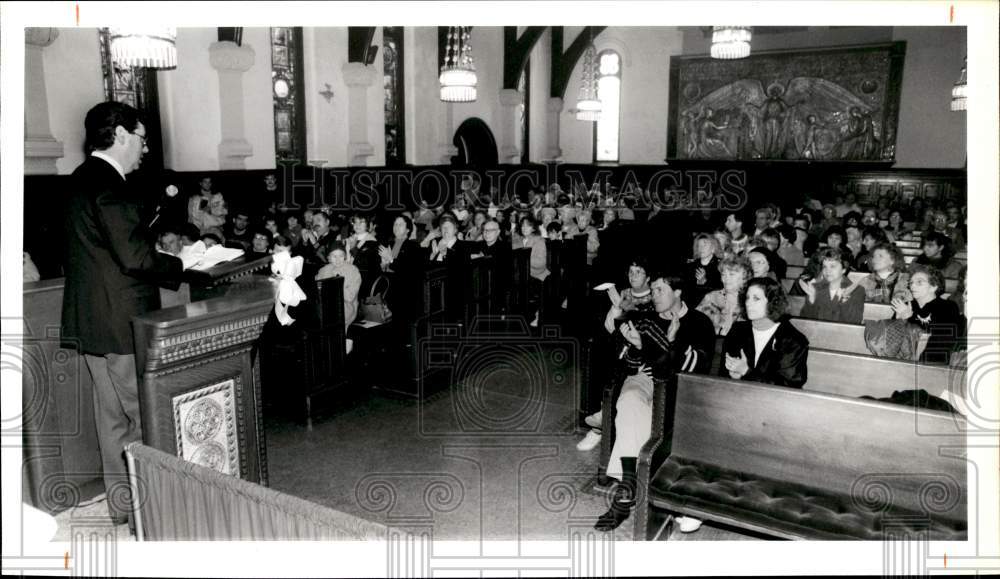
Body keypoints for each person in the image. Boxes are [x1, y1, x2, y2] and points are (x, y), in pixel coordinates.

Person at [61, 101, 183, 525]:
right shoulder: (111, 184)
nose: (145, 150)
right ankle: (154, 511)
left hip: (92, 323)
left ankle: (123, 507)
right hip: (122, 323)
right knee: (142, 416)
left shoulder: (78, 179)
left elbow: (101, 254)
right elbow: (133, 256)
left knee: (111, 420)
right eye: (143, 139)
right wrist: (181, 264)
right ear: (122, 136)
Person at [595, 274, 714, 532]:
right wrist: (637, 346)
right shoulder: (647, 318)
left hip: (677, 388)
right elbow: (629, 363)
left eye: (660, 289)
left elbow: (694, 368)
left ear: (678, 291)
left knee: (642, 415)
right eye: (653, 290)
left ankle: (629, 490)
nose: (654, 294)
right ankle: (628, 486)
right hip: (645, 379)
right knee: (628, 401)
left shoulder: (699, 322)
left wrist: (671, 344)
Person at [578, 258, 656, 452]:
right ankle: (600, 418)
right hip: (622, 343)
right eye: (630, 271)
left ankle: (603, 421)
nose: (633, 276)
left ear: (648, 278)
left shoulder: (655, 296)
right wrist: (616, 307)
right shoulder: (624, 293)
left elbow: (648, 327)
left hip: (643, 347)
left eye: (638, 272)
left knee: (621, 365)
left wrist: (624, 306)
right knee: (600, 351)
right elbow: (609, 327)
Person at [722, 277, 809, 387]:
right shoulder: (738, 330)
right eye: (747, 298)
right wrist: (733, 376)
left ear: (773, 302)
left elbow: (787, 386)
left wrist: (746, 372)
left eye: (756, 299)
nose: (748, 303)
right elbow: (722, 374)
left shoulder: (793, 340)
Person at [890, 264, 963, 365]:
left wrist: (910, 317)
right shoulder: (907, 305)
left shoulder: (948, 306)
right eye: (911, 283)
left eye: (919, 282)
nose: (912, 286)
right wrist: (898, 320)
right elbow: (890, 337)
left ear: (933, 287)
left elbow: (943, 338)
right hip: (903, 359)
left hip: (932, 363)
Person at [798, 248, 865, 324]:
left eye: (832, 266)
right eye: (824, 266)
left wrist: (843, 301)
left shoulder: (856, 290)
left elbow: (854, 322)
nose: (827, 271)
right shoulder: (815, 288)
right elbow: (805, 322)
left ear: (844, 269)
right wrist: (811, 300)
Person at [696, 255, 753, 337]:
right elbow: (695, 323)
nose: (726, 279)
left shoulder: (750, 301)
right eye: (723, 274)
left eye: (731, 274)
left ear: (745, 277)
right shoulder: (711, 297)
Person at [316, 243, 362, 331]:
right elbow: (318, 294)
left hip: (346, 310)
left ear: (345, 256)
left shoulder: (353, 270)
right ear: (328, 257)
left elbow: (350, 297)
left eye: (341, 256)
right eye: (334, 256)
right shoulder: (323, 270)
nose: (338, 260)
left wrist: (338, 281)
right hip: (326, 310)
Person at [684, 233, 722, 308]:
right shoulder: (690, 266)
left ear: (713, 248)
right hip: (691, 306)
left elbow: (720, 290)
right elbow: (686, 291)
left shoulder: (720, 266)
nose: (701, 248)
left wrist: (705, 283)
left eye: (704, 245)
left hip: (712, 307)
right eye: (699, 245)